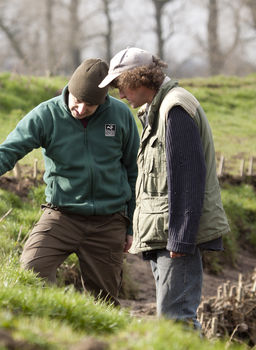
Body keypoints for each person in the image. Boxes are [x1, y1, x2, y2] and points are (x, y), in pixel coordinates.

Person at [0, 58, 140, 306]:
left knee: (104, 302)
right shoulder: (46, 115)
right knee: (30, 270)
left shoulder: (121, 115)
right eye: (77, 101)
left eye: (90, 105)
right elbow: (5, 152)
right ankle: (47, 328)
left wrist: (130, 226)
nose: (81, 109)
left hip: (109, 221)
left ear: (103, 100)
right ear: (69, 89)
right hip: (62, 216)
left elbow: (134, 171)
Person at [99, 47, 230, 328]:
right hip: (165, 233)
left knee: (177, 321)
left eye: (120, 86)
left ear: (138, 79)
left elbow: (188, 178)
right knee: (172, 319)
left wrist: (181, 239)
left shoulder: (175, 109)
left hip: (176, 237)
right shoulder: (159, 109)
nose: (120, 95)